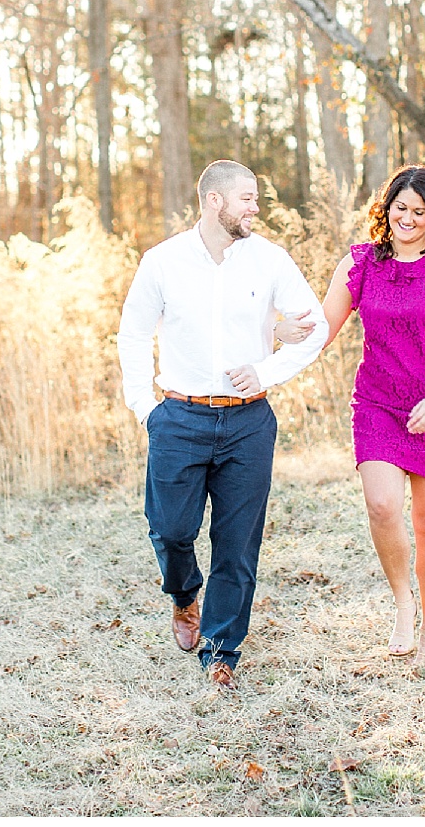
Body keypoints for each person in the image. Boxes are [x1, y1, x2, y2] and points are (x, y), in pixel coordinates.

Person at [116, 160, 329, 687]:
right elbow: (134, 335)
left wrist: (265, 371)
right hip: (178, 417)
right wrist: (147, 410)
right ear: (214, 201)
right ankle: (184, 596)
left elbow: (316, 326)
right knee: (170, 530)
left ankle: (221, 651)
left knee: (238, 542)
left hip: (248, 423)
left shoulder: (269, 261)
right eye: (247, 198)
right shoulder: (163, 261)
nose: (256, 207)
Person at [281, 165, 425, 667]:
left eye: (419, 211)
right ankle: (403, 602)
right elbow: (321, 331)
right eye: (400, 208)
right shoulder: (361, 263)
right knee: (383, 507)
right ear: (385, 207)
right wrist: (274, 342)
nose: (408, 218)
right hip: (378, 405)